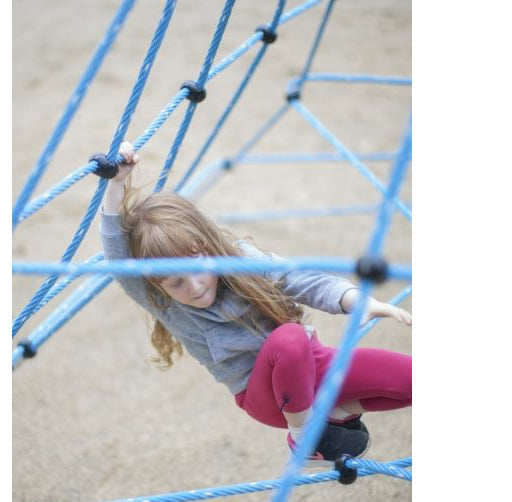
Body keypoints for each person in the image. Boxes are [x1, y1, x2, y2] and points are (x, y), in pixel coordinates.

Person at [97, 141, 412, 466]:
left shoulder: (239, 259)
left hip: (311, 363)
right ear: (156, 285)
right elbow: (115, 256)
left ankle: (339, 411)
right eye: (176, 282)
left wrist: (355, 300)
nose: (194, 287)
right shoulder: (162, 302)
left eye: (198, 268)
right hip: (265, 395)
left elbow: (297, 279)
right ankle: (306, 439)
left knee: (411, 379)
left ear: (208, 246)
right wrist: (116, 185)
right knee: (289, 338)